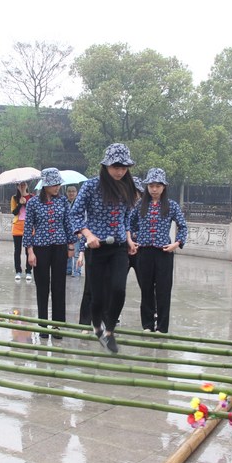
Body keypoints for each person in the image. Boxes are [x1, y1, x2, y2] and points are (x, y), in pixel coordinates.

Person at [70, 143, 139, 353]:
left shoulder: (127, 187)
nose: (120, 171)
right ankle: (96, 325)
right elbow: (74, 214)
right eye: (116, 167)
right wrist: (88, 235)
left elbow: (126, 216)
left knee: (118, 289)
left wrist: (128, 239)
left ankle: (109, 331)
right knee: (97, 295)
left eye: (124, 167)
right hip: (96, 248)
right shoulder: (91, 187)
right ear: (106, 166)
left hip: (118, 247)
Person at [128, 168, 188, 333]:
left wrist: (176, 244)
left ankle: (162, 327)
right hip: (144, 252)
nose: (154, 189)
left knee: (163, 290)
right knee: (146, 289)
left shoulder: (171, 205)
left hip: (164, 253)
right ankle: (147, 325)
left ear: (164, 187)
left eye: (158, 186)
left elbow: (183, 226)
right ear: (147, 187)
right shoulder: (141, 205)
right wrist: (133, 239)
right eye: (151, 186)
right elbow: (129, 223)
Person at [24, 168, 76, 338]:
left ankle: (57, 326)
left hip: (60, 247)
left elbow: (68, 225)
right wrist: (30, 252)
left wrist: (71, 246)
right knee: (42, 286)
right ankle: (43, 325)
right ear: (45, 185)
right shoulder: (33, 203)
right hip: (40, 248)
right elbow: (27, 229)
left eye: (58, 184)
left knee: (59, 286)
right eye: (54, 184)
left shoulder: (62, 201)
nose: (57, 187)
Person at [10, 181, 34, 282]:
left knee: (28, 250)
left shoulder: (32, 197)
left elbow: (33, 210)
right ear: (17, 186)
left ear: (27, 185)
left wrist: (26, 201)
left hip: (29, 226)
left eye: (24, 184)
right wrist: (20, 203)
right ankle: (18, 271)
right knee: (17, 251)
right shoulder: (14, 198)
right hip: (17, 226)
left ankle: (28, 271)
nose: (22, 186)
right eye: (20, 185)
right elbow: (14, 212)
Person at [65, 185, 82, 277]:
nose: (71, 193)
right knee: (67, 252)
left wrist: (80, 231)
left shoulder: (79, 203)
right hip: (66, 232)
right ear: (66, 192)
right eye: (69, 191)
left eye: (73, 191)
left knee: (76, 253)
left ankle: (77, 271)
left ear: (76, 192)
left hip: (76, 231)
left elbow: (83, 218)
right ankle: (68, 270)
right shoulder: (64, 203)